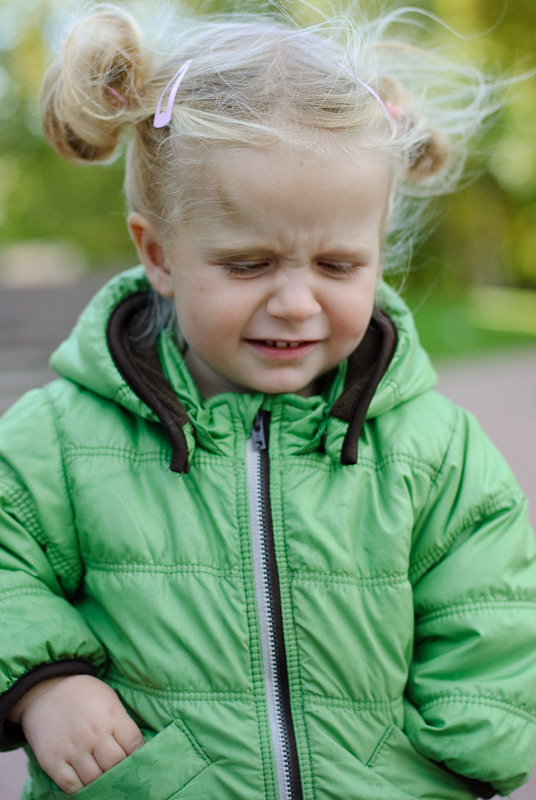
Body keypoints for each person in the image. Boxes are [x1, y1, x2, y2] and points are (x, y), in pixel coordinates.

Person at [0, 3, 535, 798]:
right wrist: (46, 680)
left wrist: (459, 751)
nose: (296, 302)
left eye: (338, 265)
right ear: (160, 253)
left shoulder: (434, 448)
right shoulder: (61, 438)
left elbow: (493, 606)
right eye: (249, 264)